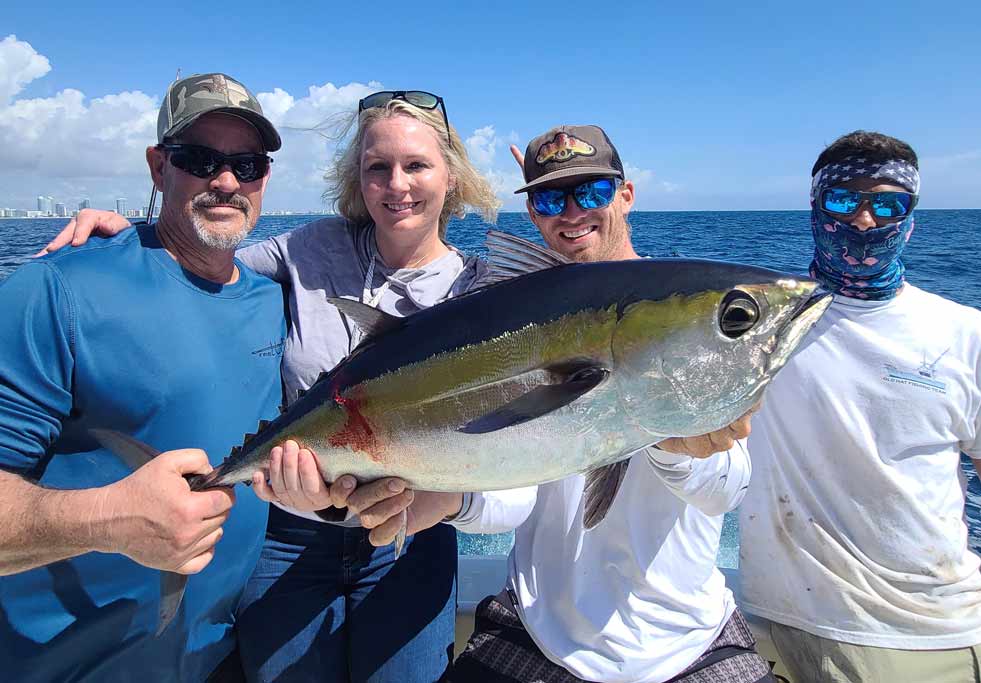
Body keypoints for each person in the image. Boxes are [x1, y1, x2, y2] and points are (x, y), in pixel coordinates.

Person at [45, 90, 502, 682]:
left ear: (452, 175)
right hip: (286, 539)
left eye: (416, 166)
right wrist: (132, 235)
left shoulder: (483, 296)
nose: (397, 185)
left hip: (406, 538)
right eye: (377, 168)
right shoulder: (309, 249)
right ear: (356, 179)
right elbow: (206, 260)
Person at [335, 125, 775, 683]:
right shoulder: (515, 322)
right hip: (535, 632)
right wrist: (446, 502)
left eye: (590, 191)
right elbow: (512, 493)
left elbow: (726, 489)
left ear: (626, 194)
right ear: (534, 215)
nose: (571, 213)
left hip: (687, 642)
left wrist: (673, 443)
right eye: (548, 198)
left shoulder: (687, 326)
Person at [0, 72, 286, 681]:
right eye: (198, 159)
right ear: (159, 168)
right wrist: (108, 520)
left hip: (221, 659)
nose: (227, 181)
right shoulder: (56, 291)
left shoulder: (270, 300)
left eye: (248, 164)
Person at [738, 130, 981, 682]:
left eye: (887, 203)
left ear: (911, 214)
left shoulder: (971, 336)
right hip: (767, 631)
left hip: (937, 637)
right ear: (816, 207)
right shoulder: (752, 326)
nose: (865, 220)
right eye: (844, 200)